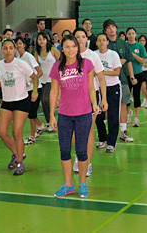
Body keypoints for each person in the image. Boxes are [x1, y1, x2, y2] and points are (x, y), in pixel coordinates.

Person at [50, 35, 98, 198]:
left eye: (74, 46)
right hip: (64, 114)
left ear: (78, 48)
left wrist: (95, 104)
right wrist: (51, 115)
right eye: (67, 47)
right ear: (61, 49)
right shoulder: (57, 67)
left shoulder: (87, 64)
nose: (71, 50)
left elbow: (91, 87)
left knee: (81, 150)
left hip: (83, 113)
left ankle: (83, 183)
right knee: (64, 150)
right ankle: (68, 184)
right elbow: (54, 91)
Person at [0, 38, 36, 175]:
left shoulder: (20, 64)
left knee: (16, 132)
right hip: (7, 102)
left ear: (14, 50)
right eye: (5, 48)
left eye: (10, 48)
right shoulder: (0, 66)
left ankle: (20, 162)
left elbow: (35, 77)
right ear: (2, 50)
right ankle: (17, 153)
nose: (8, 51)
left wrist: (35, 90)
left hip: (21, 101)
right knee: (1, 132)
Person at [73, 28, 107, 177]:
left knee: (88, 130)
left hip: (90, 96)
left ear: (87, 38)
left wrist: (103, 99)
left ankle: (87, 162)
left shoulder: (93, 56)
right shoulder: (69, 55)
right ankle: (79, 157)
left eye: (82, 37)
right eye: (77, 37)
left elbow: (101, 78)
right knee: (74, 131)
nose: (80, 39)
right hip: (73, 97)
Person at [104, 20, 136, 142]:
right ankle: (107, 133)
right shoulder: (103, 44)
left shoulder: (123, 44)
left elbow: (129, 62)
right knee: (105, 106)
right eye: (108, 28)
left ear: (116, 29)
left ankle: (123, 131)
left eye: (113, 27)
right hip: (105, 81)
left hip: (121, 80)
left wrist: (132, 77)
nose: (111, 29)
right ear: (105, 31)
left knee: (123, 105)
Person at [95, 33, 121, 152]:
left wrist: (102, 73)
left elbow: (117, 72)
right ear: (96, 43)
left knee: (113, 115)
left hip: (113, 87)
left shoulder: (113, 54)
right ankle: (102, 138)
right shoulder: (93, 55)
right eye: (99, 40)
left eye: (104, 40)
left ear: (107, 42)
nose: (101, 42)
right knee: (98, 115)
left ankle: (111, 142)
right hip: (98, 88)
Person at [15, 37, 43, 145]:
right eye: (17, 44)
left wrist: (31, 83)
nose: (18, 45)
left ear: (24, 45)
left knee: (31, 113)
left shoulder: (28, 57)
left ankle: (32, 136)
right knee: (28, 113)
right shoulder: (17, 57)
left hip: (35, 89)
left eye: (20, 43)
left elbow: (39, 72)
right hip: (25, 90)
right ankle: (40, 125)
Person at [35, 32, 60, 132]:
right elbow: (35, 66)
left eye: (43, 39)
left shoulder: (53, 50)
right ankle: (49, 122)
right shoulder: (37, 53)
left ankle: (52, 121)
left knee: (47, 99)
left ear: (47, 40)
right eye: (40, 39)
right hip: (42, 80)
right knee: (43, 101)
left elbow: (61, 61)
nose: (42, 41)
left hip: (52, 79)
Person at [125, 27, 147, 127]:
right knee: (127, 96)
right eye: (129, 33)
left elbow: (143, 61)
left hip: (138, 73)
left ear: (136, 34)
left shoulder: (140, 46)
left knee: (136, 95)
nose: (131, 35)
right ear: (126, 35)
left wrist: (133, 55)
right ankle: (128, 113)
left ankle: (136, 118)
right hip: (126, 74)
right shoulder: (124, 46)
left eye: (133, 33)